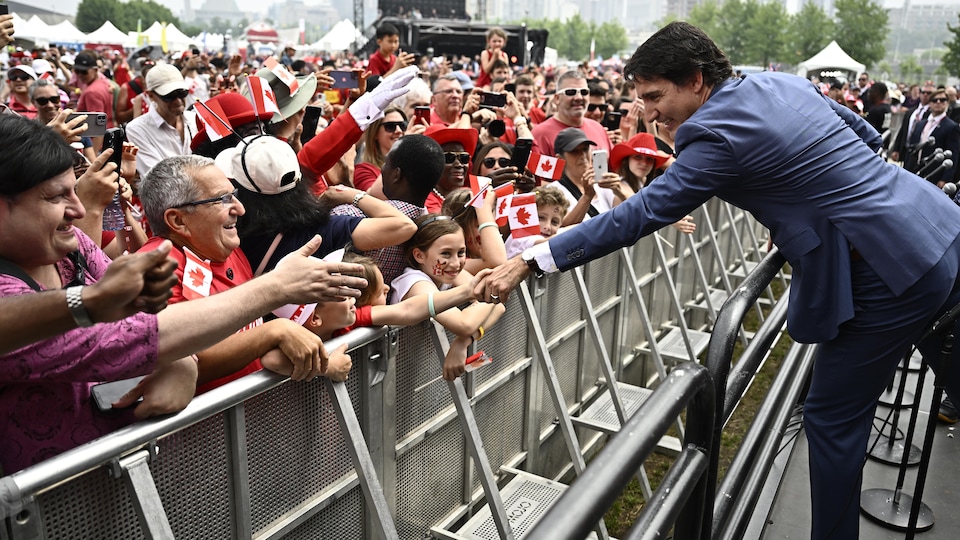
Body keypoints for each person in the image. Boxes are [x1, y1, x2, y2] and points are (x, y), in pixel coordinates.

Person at [475, 21, 960, 540]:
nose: (650, 112)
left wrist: (533, 260)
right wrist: (809, 210)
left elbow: (642, 213)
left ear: (696, 80)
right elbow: (864, 136)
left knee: (830, 421)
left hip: (891, 270)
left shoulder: (711, 135)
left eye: (656, 96)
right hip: (937, 225)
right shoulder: (779, 83)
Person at [0, 114, 367, 474]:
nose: (77, 209)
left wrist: (182, 363)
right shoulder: (11, 293)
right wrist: (275, 291)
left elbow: (139, 322)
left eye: (76, 192)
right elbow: (129, 337)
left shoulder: (74, 246)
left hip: (148, 469)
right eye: (56, 197)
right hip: (65, 494)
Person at [137, 153, 352, 392]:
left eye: (234, 195)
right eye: (222, 199)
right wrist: (273, 330)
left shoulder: (226, 247)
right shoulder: (154, 270)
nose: (239, 209)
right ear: (178, 221)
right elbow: (184, 366)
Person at [392, 214, 505, 380]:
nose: (456, 263)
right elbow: (464, 323)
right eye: (445, 254)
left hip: (420, 371)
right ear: (419, 255)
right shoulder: (415, 283)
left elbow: (497, 305)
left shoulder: (447, 274)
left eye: (461, 253)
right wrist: (468, 328)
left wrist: (463, 342)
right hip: (396, 375)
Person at [610, 132, 696, 234]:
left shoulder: (646, 182)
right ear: (627, 159)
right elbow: (635, 203)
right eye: (638, 157)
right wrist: (669, 219)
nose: (644, 163)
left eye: (649, 159)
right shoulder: (618, 186)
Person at [125, 62, 198, 178]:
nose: (178, 101)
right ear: (151, 96)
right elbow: (159, 180)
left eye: (182, 93)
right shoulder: (137, 129)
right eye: (169, 96)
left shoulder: (195, 119)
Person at [531, 71, 612, 157]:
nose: (579, 97)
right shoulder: (540, 134)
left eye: (584, 92)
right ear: (557, 98)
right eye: (571, 92)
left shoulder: (598, 128)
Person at [503, 185, 569, 258]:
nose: (547, 227)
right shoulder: (521, 236)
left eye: (554, 222)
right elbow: (547, 243)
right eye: (541, 218)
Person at [355, 107, 407, 191]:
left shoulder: (412, 167)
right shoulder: (363, 171)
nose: (399, 130)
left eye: (402, 125)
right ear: (375, 133)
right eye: (390, 126)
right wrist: (404, 146)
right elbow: (373, 195)